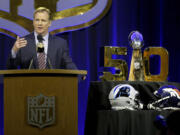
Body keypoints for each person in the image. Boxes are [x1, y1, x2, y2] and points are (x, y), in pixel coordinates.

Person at [7, 7, 77, 70]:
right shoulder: (23, 42)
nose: (39, 23)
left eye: (43, 20)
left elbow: (68, 64)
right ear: (33, 22)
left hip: (53, 83)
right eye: (37, 20)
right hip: (28, 83)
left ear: (49, 23)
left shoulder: (60, 43)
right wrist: (14, 51)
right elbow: (11, 68)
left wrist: (79, 75)